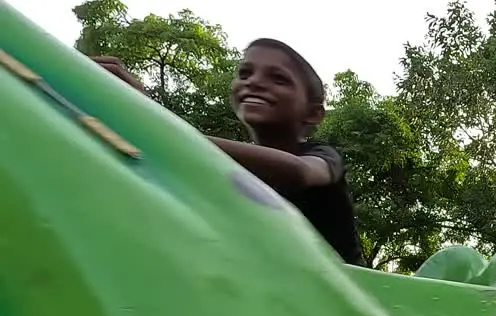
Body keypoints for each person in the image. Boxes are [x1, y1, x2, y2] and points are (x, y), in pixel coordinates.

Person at [93, 41, 364, 267]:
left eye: (279, 78)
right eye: (245, 74)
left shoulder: (322, 155)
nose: (255, 82)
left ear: (314, 113)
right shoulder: (226, 170)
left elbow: (298, 171)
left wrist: (148, 121)